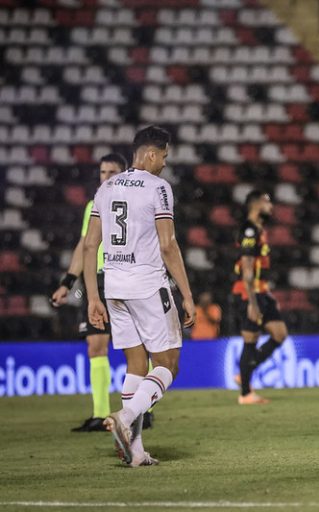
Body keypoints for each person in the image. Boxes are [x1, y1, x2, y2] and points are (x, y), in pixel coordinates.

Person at [83, 125, 195, 466]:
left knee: (136, 365)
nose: (163, 163)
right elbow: (167, 245)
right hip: (147, 285)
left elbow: (90, 244)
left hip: (113, 287)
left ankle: (136, 452)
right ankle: (125, 416)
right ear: (150, 154)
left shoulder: (106, 187)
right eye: (163, 156)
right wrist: (187, 295)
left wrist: (92, 297)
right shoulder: (158, 188)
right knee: (168, 364)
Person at [51, 153, 126, 432]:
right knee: (95, 346)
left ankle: (145, 409)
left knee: (136, 347)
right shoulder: (94, 205)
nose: (106, 177)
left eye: (112, 172)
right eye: (103, 172)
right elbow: (85, 246)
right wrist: (67, 283)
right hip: (97, 282)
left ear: (124, 173)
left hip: (126, 278)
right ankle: (100, 414)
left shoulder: (135, 201)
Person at [232, 190, 289, 405]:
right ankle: (246, 393)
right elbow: (247, 270)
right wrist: (252, 302)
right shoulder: (249, 230)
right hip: (248, 293)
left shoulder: (258, 229)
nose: (271, 205)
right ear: (256, 205)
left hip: (261, 291)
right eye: (267, 201)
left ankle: (246, 371)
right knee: (251, 339)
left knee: (279, 333)